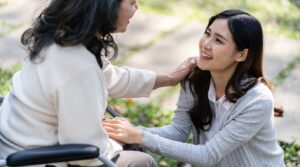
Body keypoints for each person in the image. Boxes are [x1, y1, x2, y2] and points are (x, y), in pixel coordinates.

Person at [0, 0, 196, 166]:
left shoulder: (59, 38)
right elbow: (85, 154)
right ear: (106, 6)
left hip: (15, 143)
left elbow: (110, 78)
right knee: (142, 161)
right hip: (34, 159)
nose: (137, 7)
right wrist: (122, 140)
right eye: (131, 2)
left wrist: (168, 79)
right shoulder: (79, 66)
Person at [103, 9, 285, 167]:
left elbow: (208, 155)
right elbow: (179, 132)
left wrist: (140, 136)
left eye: (218, 40)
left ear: (242, 54)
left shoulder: (257, 100)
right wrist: (122, 132)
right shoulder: (195, 78)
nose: (205, 44)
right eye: (207, 33)